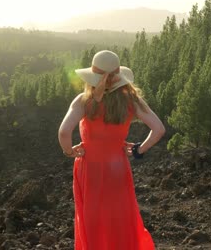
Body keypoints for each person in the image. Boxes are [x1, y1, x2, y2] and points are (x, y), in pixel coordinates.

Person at [58, 50, 165, 250]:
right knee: (120, 218)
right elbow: (159, 129)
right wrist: (139, 150)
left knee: (93, 220)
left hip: (89, 169)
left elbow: (64, 132)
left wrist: (70, 152)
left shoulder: (83, 101)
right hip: (118, 168)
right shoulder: (131, 101)